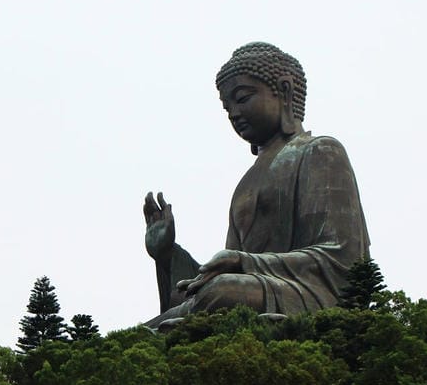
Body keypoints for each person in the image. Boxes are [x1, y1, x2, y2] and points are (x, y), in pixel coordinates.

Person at [144, 42, 369, 327]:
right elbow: (218, 274)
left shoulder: (320, 152)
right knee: (152, 326)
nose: (234, 113)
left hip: (312, 295)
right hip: (253, 288)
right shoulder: (246, 183)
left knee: (223, 291)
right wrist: (166, 255)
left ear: (284, 91)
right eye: (227, 107)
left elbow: (342, 260)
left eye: (243, 98)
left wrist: (246, 262)